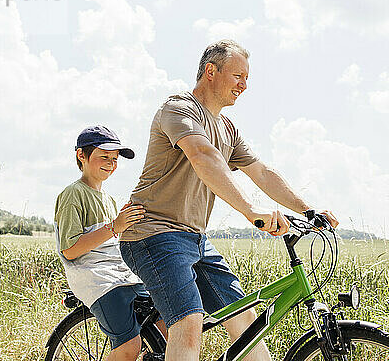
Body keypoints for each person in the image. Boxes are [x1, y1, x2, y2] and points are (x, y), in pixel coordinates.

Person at [120, 40, 339, 361]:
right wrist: (251, 211)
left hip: (194, 239)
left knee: (244, 317)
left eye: (247, 78)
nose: (244, 85)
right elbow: (202, 154)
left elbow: (262, 173)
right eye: (238, 76)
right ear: (211, 71)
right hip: (153, 234)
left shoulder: (227, 128)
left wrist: (307, 210)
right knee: (188, 322)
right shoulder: (179, 109)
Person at [54, 125, 148, 361]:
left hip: (121, 274)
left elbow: (113, 238)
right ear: (81, 156)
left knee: (166, 319)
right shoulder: (73, 194)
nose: (111, 163)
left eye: (115, 159)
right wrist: (114, 226)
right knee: (129, 346)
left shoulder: (109, 199)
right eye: (104, 157)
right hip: (97, 279)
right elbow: (71, 249)